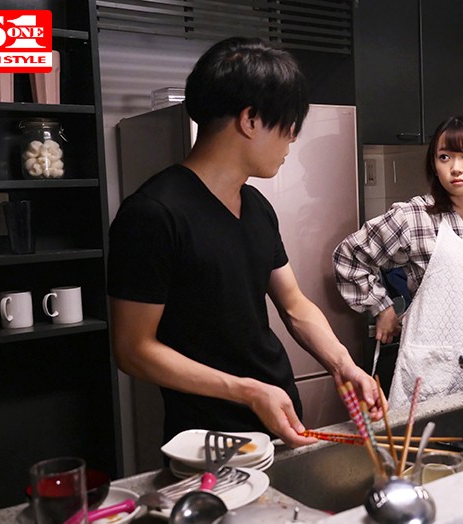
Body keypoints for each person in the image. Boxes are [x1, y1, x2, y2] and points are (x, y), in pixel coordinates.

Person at [107, 37, 381, 449]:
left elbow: (294, 305)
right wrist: (248, 391)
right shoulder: (152, 213)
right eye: (288, 124)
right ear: (250, 120)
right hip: (206, 439)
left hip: (280, 418)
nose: (292, 139)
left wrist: (344, 365)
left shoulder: (255, 205)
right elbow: (133, 350)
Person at [333, 115, 463, 409]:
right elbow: (350, 255)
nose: (455, 167)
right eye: (444, 157)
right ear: (434, 164)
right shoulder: (414, 217)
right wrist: (382, 307)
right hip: (436, 373)